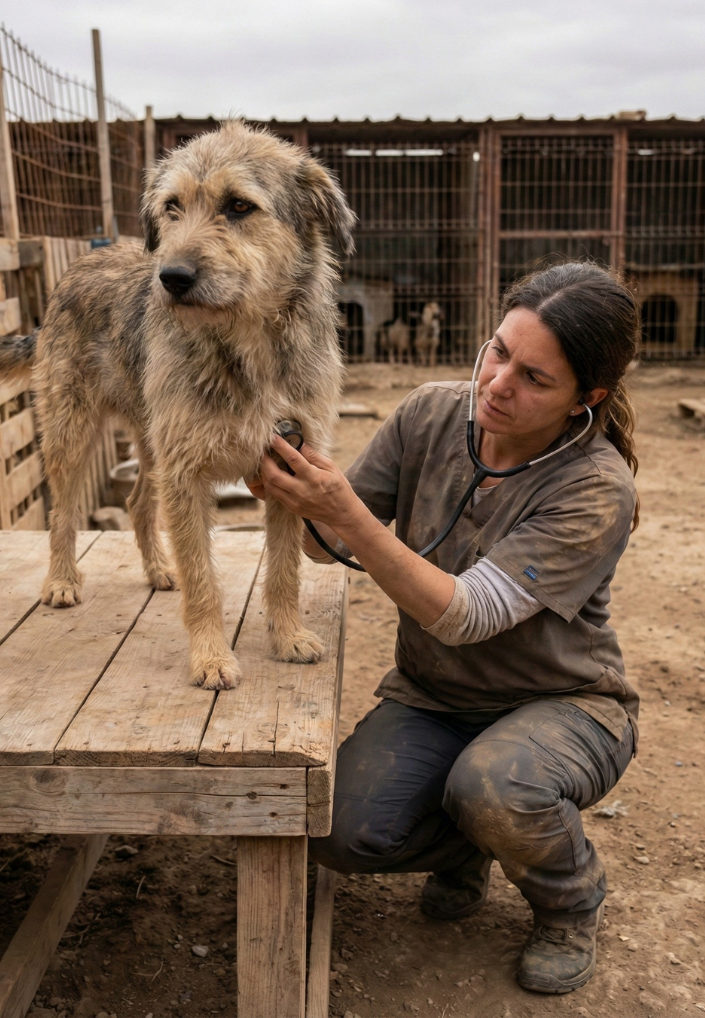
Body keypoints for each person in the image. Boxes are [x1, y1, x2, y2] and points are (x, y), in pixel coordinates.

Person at [249, 261, 641, 995]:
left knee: (496, 786)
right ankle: (471, 847)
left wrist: (344, 512)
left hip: (560, 705)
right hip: (435, 698)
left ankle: (569, 902)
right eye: (498, 351)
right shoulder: (429, 414)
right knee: (339, 830)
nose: (497, 383)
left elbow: (467, 614)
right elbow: (325, 545)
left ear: (585, 399)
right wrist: (287, 485)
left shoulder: (595, 487)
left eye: (534, 378)